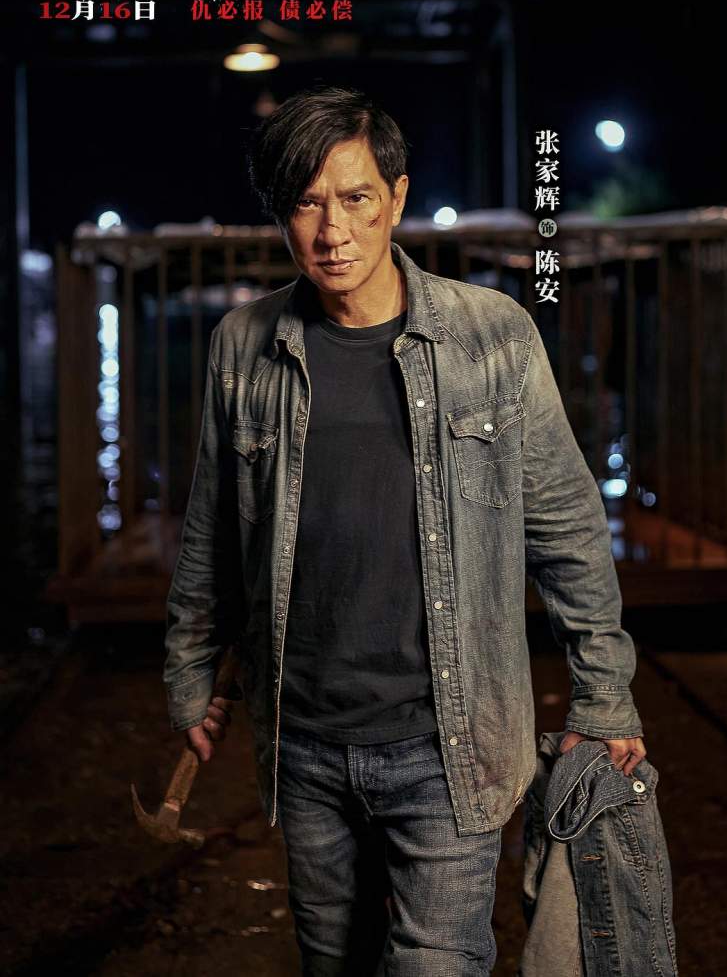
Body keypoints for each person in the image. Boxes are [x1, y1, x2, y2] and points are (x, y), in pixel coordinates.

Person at [162, 85, 646, 976]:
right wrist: (191, 673)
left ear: (396, 197)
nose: (332, 230)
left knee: (436, 963)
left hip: (448, 742)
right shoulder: (244, 343)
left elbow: (568, 526)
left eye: (355, 198)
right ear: (280, 213)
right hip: (304, 741)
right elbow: (214, 532)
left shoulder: (491, 335)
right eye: (306, 203)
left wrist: (603, 692)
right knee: (331, 960)